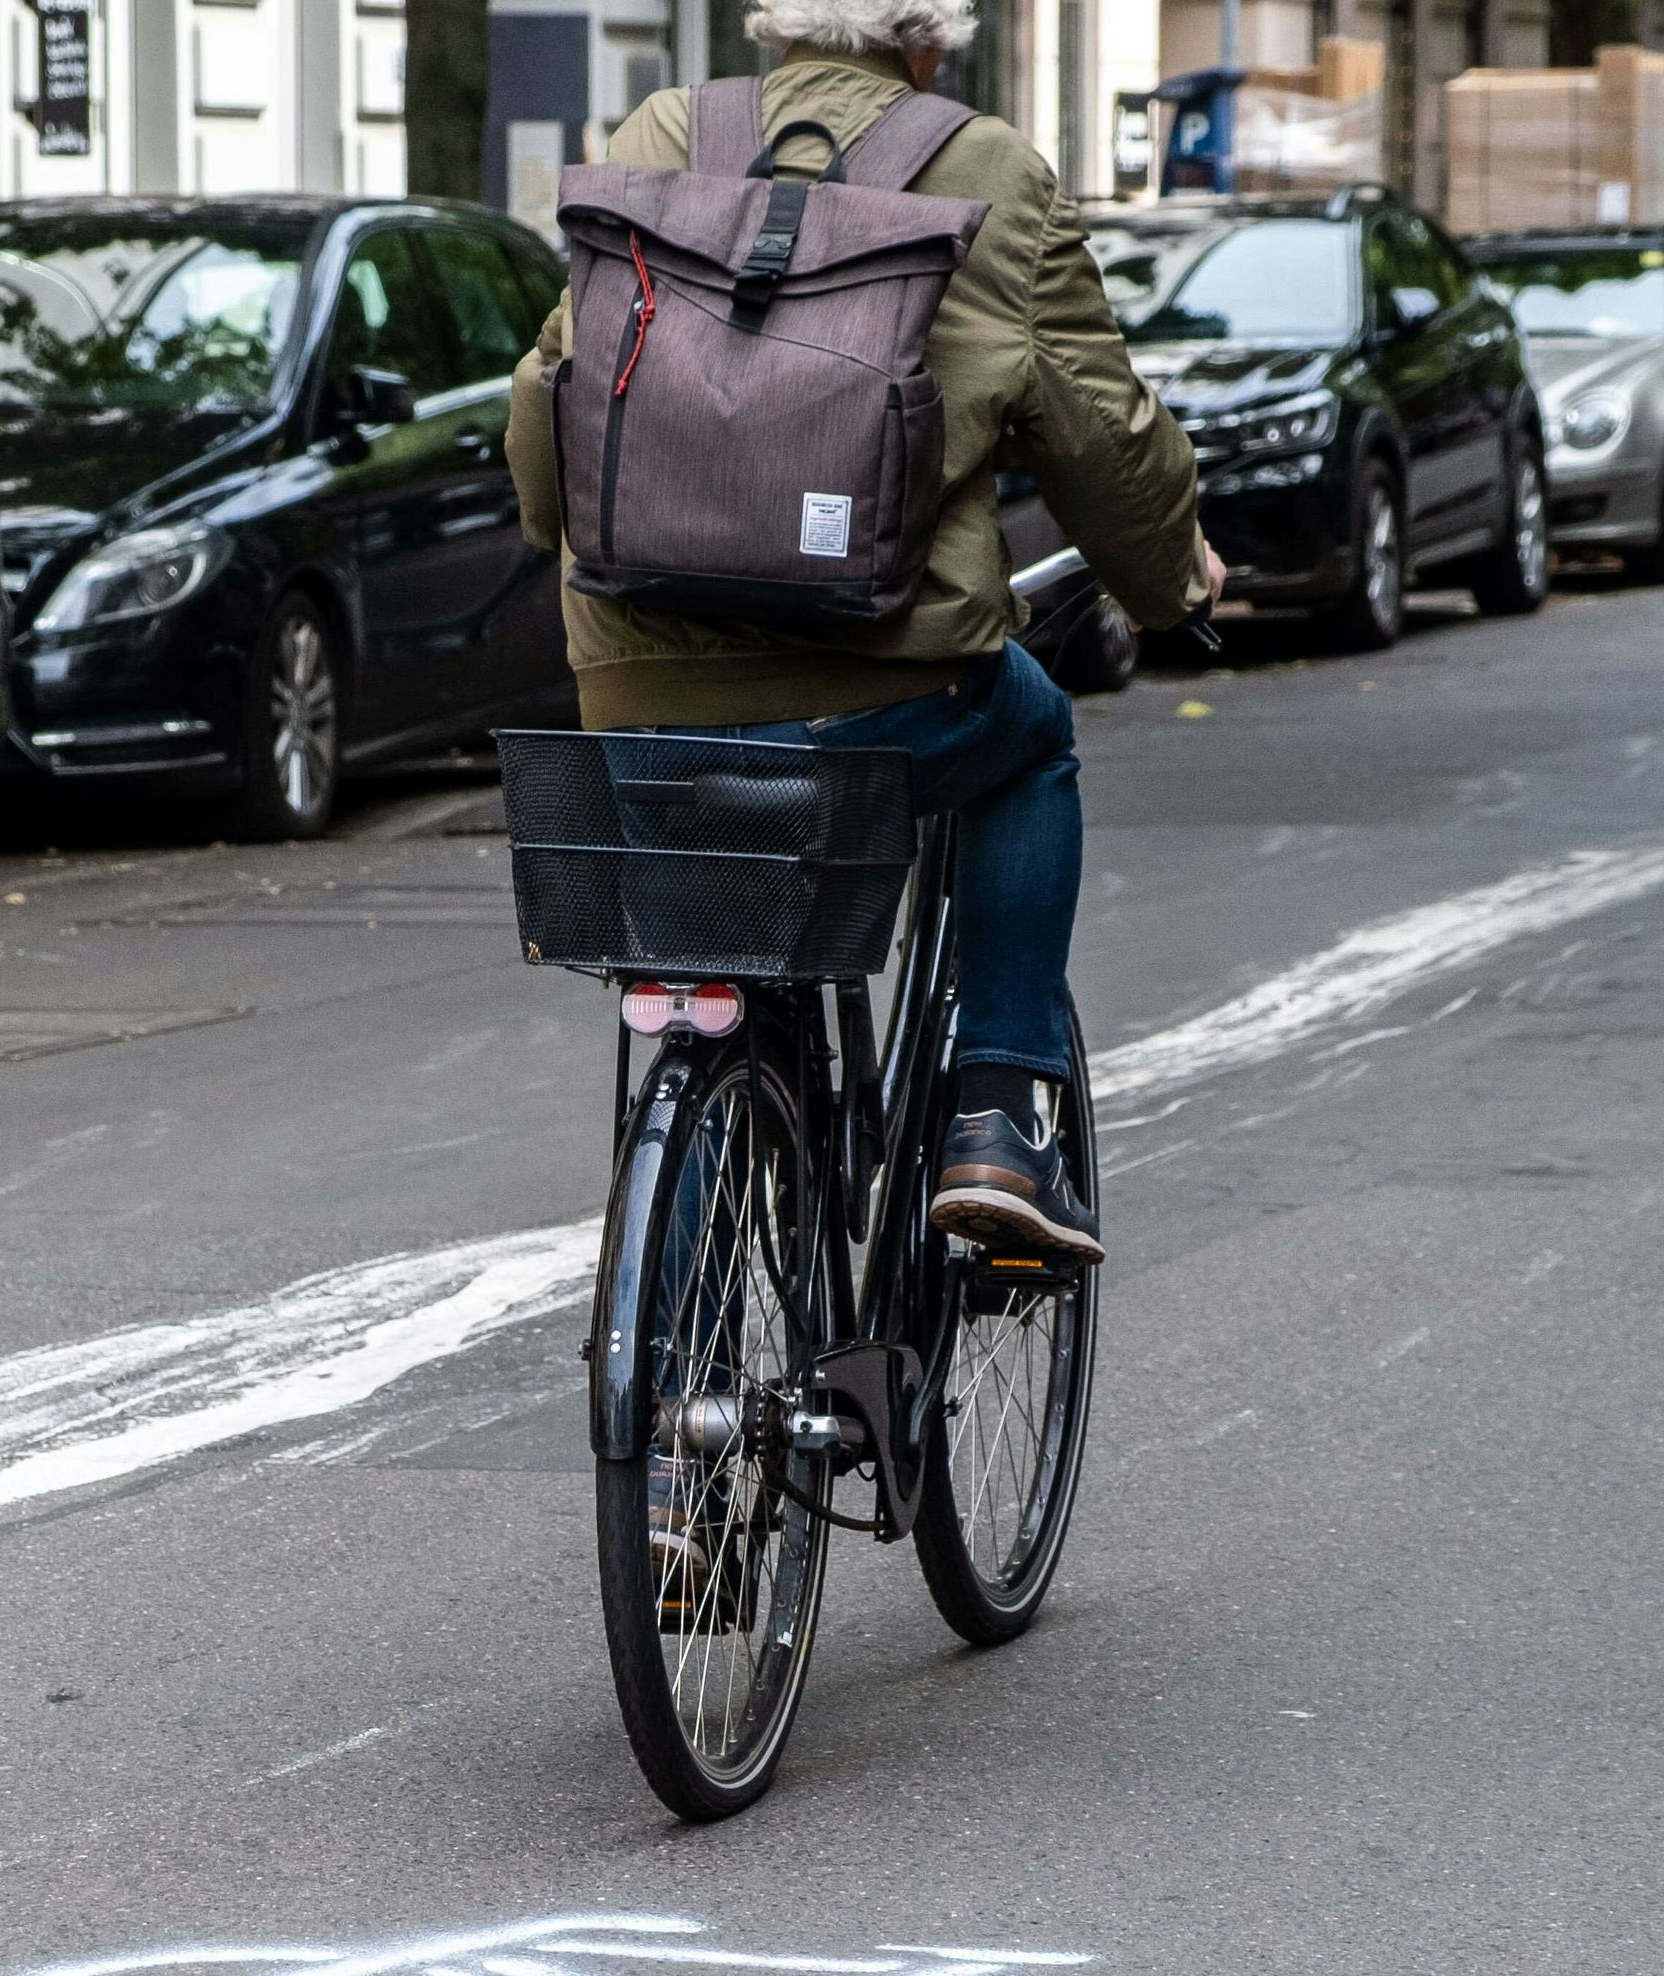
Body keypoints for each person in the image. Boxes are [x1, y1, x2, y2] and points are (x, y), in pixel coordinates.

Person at [505, 0, 1220, 1263]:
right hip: (884, 694)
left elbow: (547, 397)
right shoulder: (992, 167)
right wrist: (1174, 585)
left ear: (773, 20)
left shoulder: (665, 130)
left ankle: (673, 1435)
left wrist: (557, 537)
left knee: (700, 1025)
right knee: (1032, 736)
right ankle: (997, 1114)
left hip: (639, 692)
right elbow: (1102, 437)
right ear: (928, 38)